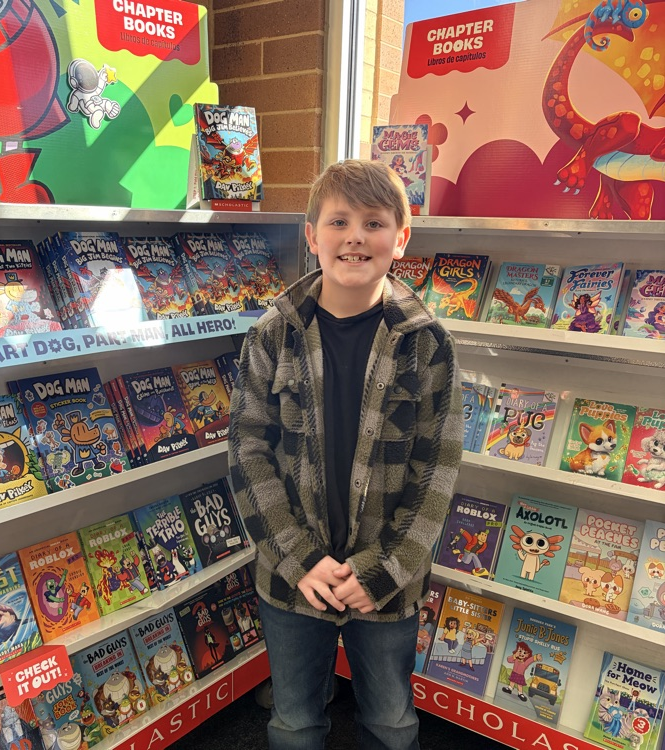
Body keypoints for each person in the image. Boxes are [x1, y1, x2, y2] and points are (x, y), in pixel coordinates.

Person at [228, 159, 463, 750]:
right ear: (312, 236)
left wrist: (385, 569)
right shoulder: (271, 334)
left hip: (387, 577)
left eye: (374, 222)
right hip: (293, 577)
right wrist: (299, 558)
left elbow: (438, 466)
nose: (355, 236)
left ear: (401, 238)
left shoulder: (427, 342)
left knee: (390, 720)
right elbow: (248, 451)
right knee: (294, 720)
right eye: (338, 221)